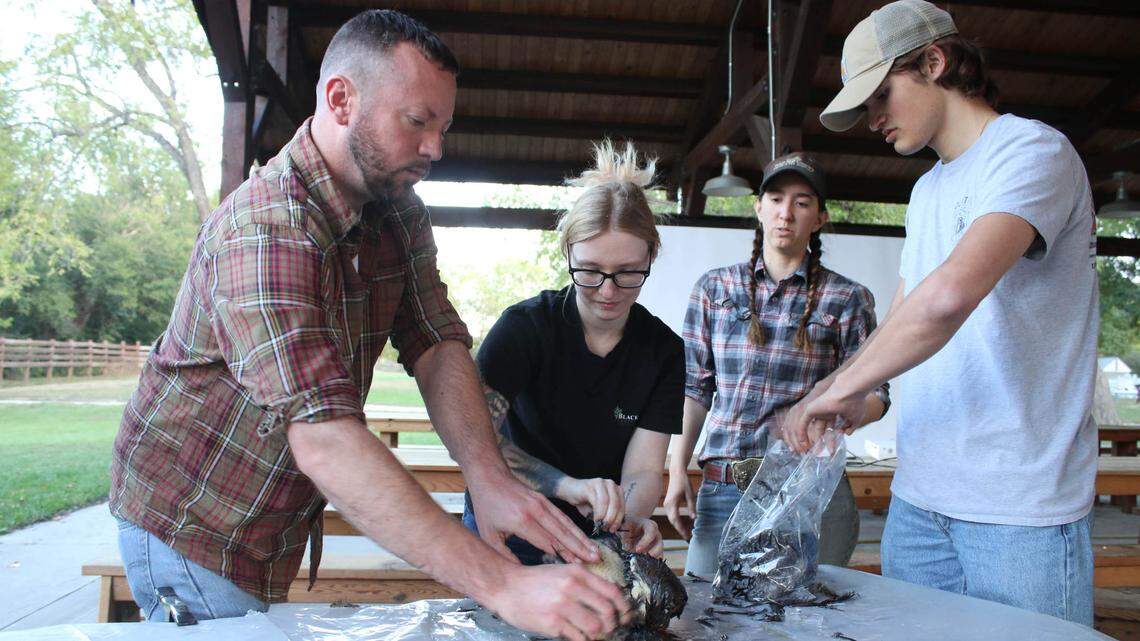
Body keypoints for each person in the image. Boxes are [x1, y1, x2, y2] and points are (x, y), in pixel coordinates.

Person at [109, 10, 632, 640]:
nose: (436, 147)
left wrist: (489, 479)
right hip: (193, 523)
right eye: (417, 121)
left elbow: (436, 343)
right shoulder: (267, 229)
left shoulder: (398, 212)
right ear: (341, 100)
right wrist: (503, 584)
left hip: (273, 520)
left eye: (443, 126)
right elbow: (325, 437)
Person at [786, 0, 1099, 625]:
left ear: (935, 61)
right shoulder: (927, 189)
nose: (873, 118)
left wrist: (829, 387)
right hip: (918, 500)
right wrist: (858, 391)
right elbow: (904, 314)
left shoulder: (1033, 151)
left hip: (1018, 507)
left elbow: (949, 297)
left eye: (880, 96)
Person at [664, 152, 890, 577]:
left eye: (802, 202)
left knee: (802, 623)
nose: (786, 213)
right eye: (776, 198)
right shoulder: (714, 288)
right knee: (702, 616)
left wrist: (832, 410)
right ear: (759, 207)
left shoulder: (846, 299)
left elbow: (878, 395)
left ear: (819, 218)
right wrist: (678, 470)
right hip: (724, 485)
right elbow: (695, 389)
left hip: (804, 488)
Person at [463, 141, 683, 563]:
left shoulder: (664, 351)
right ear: (567, 253)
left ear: (652, 255)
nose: (607, 291)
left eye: (628, 273)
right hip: (510, 521)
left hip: (597, 534)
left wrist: (631, 521)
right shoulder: (524, 328)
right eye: (590, 271)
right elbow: (475, 441)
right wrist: (567, 486)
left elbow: (643, 469)